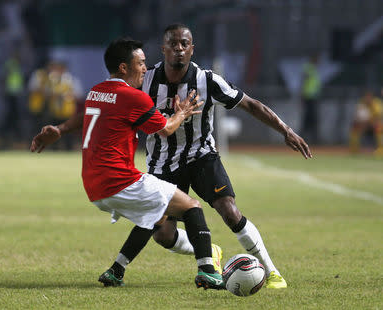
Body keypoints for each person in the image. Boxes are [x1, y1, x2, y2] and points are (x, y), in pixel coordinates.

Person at [103, 24, 312, 289]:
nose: (179, 48)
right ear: (163, 49)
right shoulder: (145, 80)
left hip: (201, 157)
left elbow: (251, 104)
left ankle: (272, 272)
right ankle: (207, 251)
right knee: (163, 234)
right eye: (173, 44)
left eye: (184, 44)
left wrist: (286, 130)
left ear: (192, 49)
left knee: (230, 211)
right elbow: (119, 106)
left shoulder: (207, 80)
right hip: (162, 163)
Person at [30, 38, 225, 290]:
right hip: (119, 180)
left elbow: (86, 113)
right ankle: (208, 270)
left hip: (94, 187)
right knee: (191, 207)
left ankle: (116, 270)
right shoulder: (134, 98)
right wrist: (182, 113)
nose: (146, 68)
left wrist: (59, 128)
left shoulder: (97, 92)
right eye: (141, 63)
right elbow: (166, 129)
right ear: (124, 67)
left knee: (154, 216)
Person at [349, 89, 382, 154]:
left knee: (379, 127)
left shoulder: (377, 103)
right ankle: (354, 149)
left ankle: (381, 149)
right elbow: (358, 116)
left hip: (373, 123)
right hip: (365, 124)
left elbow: (378, 117)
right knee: (355, 126)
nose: (367, 98)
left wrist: (369, 121)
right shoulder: (362, 102)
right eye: (366, 96)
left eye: (369, 96)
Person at [300, 54, 322, 144]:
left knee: (311, 118)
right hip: (308, 97)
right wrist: (301, 95)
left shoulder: (314, 69)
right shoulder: (308, 68)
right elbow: (304, 81)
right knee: (308, 118)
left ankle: (312, 138)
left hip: (313, 97)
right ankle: (304, 137)